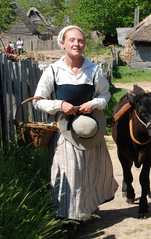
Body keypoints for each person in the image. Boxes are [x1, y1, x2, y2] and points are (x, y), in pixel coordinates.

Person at [33, 25, 118, 237]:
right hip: (64, 131)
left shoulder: (94, 70)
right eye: (72, 40)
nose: (76, 44)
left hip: (89, 130)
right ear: (63, 43)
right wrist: (59, 105)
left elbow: (105, 95)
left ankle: (85, 211)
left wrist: (95, 103)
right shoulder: (53, 70)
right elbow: (38, 101)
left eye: (80, 41)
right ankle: (67, 218)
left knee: (89, 172)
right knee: (68, 172)